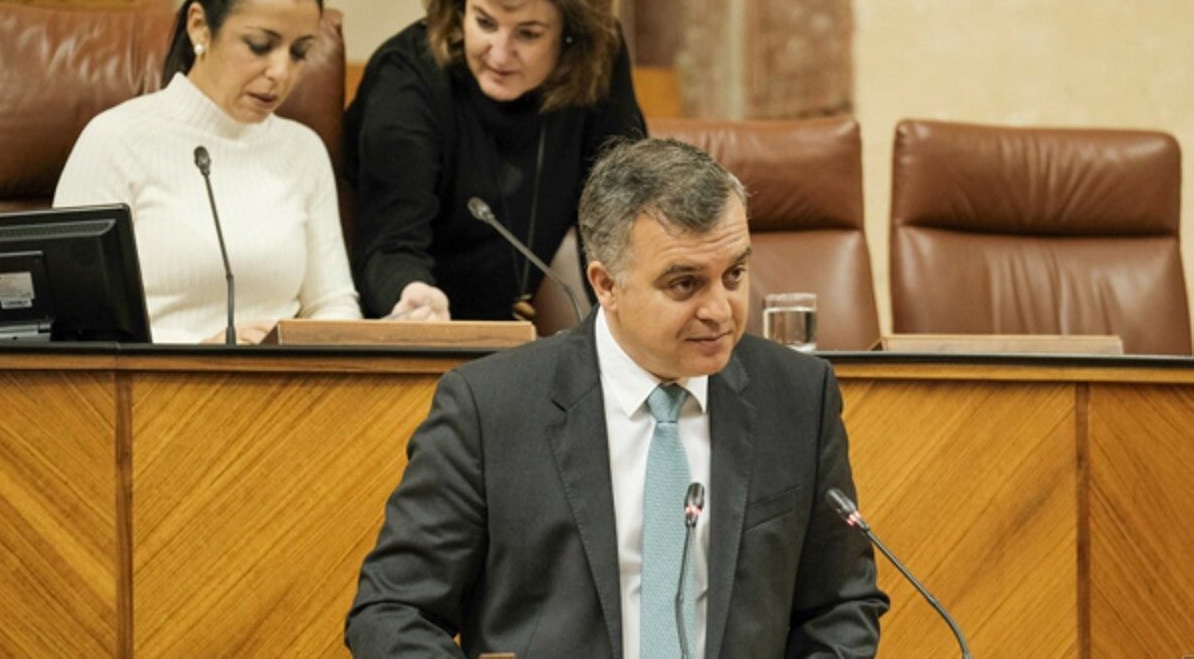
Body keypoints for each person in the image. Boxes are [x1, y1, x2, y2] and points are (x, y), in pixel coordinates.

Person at [344, 138, 888, 657]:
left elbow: (840, 605)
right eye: (684, 284)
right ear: (605, 285)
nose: (721, 310)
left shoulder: (796, 396)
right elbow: (392, 611)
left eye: (735, 274)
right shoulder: (490, 408)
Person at [54, 0, 360, 344]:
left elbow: (333, 303)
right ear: (200, 26)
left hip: (285, 392)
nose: (281, 73)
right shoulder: (116, 139)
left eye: (300, 53)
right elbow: (77, 326)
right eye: (260, 46)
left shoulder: (303, 149)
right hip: (150, 390)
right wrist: (199, 352)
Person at [344, 0, 647, 323]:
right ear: (459, 6)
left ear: (572, 32)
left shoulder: (597, 62)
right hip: (415, 331)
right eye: (484, 23)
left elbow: (623, 223)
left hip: (513, 341)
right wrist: (414, 299)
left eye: (528, 33)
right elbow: (390, 244)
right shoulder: (405, 79)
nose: (500, 54)